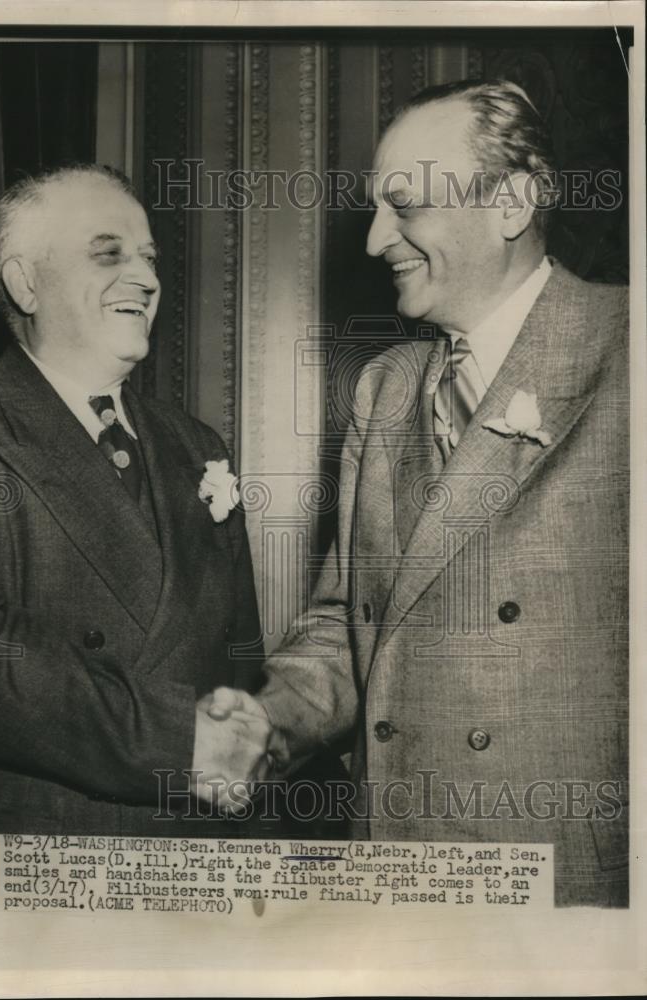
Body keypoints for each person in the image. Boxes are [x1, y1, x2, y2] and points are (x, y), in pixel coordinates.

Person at [209, 80, 629, 907]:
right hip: (393, 865)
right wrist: (268, 720)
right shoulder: (388, 387)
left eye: (405, 206)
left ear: (510, 202)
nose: (373, 241)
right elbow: (349, 621)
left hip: (567, 885)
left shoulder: (627, 348)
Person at [0, 164, 270, 904]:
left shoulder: (197, 444)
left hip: (198, 863)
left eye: (151, 257)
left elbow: (238, 654)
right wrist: (179, 742)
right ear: (26, 285)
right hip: (21, 873)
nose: (146, 277)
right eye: (110, 253)